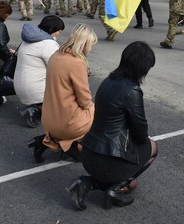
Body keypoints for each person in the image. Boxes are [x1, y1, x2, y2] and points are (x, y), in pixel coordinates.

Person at [67, 41, 158, 210]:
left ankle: (87, 183)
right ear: (141, 67)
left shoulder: (108, 80)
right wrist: (145, 139)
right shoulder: (132, 90)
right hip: (109, 159)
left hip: (88, 153)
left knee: (131, 183)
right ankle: (115, 189)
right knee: (153, 147)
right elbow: (140, 130)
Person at [29, 23, 97, 162]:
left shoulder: (56, 54)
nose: (91, 48)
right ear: (84, 44)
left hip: (49, 118)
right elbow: (84, 100)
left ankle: (46, 141)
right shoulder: (77, 63)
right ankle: (70, 146)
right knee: (97, 113)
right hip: (66, 123)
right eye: (91, 44)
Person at [15, 15, 65, 127]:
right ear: (52, 30)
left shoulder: (29, 38)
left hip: (20, 85)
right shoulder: (48, 44)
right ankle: (37, 109)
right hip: (34, 90)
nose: (59, 34)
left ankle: (38, 106)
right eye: (59, 31)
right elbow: (58, 67)